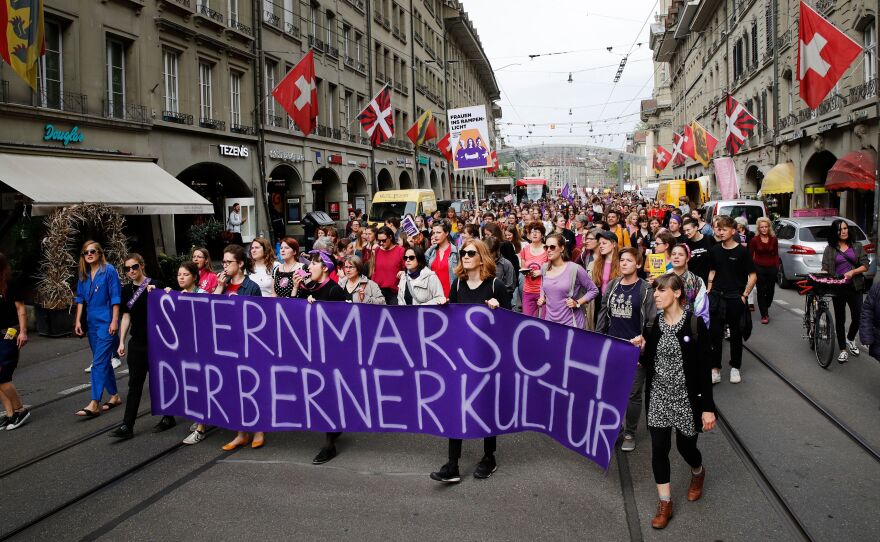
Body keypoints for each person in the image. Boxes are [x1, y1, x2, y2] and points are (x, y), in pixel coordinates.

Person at [430, 240, 510, 483]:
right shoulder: (457, 285)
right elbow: (452, 324)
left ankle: (489, 457)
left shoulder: (495, 285)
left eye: (470, 253)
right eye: (463, 252)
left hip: (488, 359)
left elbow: (512, 326)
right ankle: (452, 463)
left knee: (486, 406)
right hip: (461, 358)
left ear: (482, 257)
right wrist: (445, 307)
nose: (464, 256)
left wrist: (499, 310)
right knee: (457, 405)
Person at [641, 273, 715, 529]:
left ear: (677, 293)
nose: (656, 295)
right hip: (659, 396)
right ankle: (665, 503)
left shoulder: (695, 325)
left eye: (661, 291)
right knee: (659, 449)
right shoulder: (651, 324)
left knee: (686, 448)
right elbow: (646, 363)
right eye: (655, 291)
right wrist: (639, 348)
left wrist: (707, 408)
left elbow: (705, 369)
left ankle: (698, 471)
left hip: (686, 398)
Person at [596, 248, 656, 452]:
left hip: (634, 351)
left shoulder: (645, 289)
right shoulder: (612, 285)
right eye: (621, 260)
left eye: (629, 260)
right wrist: (599, 339)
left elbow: (651, 322)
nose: (623, 264)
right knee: (611, 390)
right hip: (613, 347)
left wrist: (644, 347)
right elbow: (603, 313)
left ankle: (630, 431)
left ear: (638, 264)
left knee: (632, 394)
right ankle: (614, 429)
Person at [110, 254, 172, 439]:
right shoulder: (126, 290)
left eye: (134, 267)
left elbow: (170, 305)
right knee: (134, 385)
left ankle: (168, 417)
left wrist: (166, 291)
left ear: (142, 266)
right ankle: (127, 425)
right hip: (137, 342)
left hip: (157, 342)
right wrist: (121, 341)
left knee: (159, 382)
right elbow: (126, 316)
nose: (131, 271)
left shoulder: (156, 284)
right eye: (127, 269)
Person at [295, 250, 347, 465]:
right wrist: (298, 292)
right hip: (312, 349)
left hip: (331, 353)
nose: (308, 268)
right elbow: (291, 313)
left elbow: (343, 324)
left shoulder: (334, 290)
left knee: (327, 394)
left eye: (314, 264)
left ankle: (329, 446)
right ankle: (335, 428)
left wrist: (318, 310)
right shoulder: (310, 287)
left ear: (325, 268)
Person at [215, 245, 263, 450]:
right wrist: (218, 287)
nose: (224, 266)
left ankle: (259, 430)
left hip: (247, 345)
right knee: (234, 389)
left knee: (251, 388)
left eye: (228, 262)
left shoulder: (251, 287)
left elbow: (259, 318)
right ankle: (240, 433)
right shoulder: (224, 286)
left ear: (240, 263)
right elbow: (211, 311)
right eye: (223, 262)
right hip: (227, 345)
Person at [74, 241, 123, 418]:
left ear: (100, 253)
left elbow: (115, 296)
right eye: (85, 252)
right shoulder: (84, 273)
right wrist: (78, 320)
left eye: (92, 251)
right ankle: (115, 396)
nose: (89, 254)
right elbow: (79, 298)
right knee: (102, 360)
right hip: (92, 322)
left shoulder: (109, 270)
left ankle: (94, 402)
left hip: (107, 321)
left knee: (98, 363)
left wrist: (114, 321)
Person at [707, 216, 756, 384]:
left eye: (724, 229)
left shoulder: (742, 251)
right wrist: (709, 291)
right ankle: (715, 369)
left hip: (736, 298)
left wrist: (745, 295)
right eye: (718, 229)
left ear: (733, 231)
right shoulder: (714, 250)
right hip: (717, 297)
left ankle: (735, 367)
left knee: (736, 335)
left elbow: (753, 275)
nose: (720, 232)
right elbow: (712, 272)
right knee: (715, 335)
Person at [821, 219, 870, 364]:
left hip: (855, 286)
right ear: (835, 232)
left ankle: (850, 339)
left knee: (859, 316)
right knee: (840, 319)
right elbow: (825, 267)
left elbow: (865, 265)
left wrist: (853, 272)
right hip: (838, 287)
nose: (843, 231)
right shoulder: (830, 249)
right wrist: (822, 274)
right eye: (840, 229)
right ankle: (843, 350)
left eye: (845, 228)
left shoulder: (857, 246)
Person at [175, 262, 212, 446]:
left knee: (201, 386)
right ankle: (200, 419)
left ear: (195, 277)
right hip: (185, 349)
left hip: (201, 349)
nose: (181, 278)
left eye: (185, 275)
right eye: (179, 275)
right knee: (191, 385)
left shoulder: (202, 296)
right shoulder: (175, 296)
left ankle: (201, 428)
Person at [536, 233, 599, 328]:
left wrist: (577, 303)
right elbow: (543, 285)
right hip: (550, 322)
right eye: (546, 247)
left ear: (562, 249)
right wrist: (542, 297)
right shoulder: (544, 268)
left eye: (552, 247)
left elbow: (594, 290)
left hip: (571, 324)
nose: (548, 250)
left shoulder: (575, 269)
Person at [0, 253, 29, 430]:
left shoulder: (11, 282)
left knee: (3, 375)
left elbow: (21, 309)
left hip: (9, 331)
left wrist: (23, 332)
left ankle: (20, 409)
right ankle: (10, 413)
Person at [669, 244, 710, 327]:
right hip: (666, 324)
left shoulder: (697, 281)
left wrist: (697, 327)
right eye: (673, 254)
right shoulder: (662, 278)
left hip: (688, 326)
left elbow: (702, 309)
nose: (676, 257)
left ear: (687, 258)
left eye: (681, 254)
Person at [748, 218, 779, 324]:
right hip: (759, 268)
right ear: (758, 228)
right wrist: (751, 270)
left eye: (766, 227)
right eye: (762, 227)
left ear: (769, 227)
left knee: (770, 291)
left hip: (771, 268)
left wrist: (776, 267)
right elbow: (750, 255)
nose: (764, 229)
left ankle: (766, 305)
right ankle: (764, 314)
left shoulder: (774, 239)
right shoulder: (754, 240)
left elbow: (776, 254)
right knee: (761, 291)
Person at [519, 221, 548, 317]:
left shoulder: (547, 249)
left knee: (545, 321)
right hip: (528, 290)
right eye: (532, 232)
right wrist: (526, 272)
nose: (534, 234)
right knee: (527, 319)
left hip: (544, 291)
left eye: (537, 231)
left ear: (543, 235)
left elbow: (555, 268)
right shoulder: (525, 249)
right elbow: (523, 267)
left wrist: (541, 271)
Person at [425, 219, 459, 298]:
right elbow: (419, 264)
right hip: (433, 297)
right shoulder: (430, 251)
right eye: (434, 233)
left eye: (438, 232)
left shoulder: (456, 252)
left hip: (451, 297)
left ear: (446, 233)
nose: (435, 235)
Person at [372, 226, 406, 305]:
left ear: (390, 237)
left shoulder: (401, 251)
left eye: (383, 240)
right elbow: (374, 270)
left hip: (394, 292)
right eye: (379, 241)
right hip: (378, 292)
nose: (381, 243)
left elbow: (406, 269)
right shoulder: (377, 250)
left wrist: (403, 273)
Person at [682, 218, 714, 285]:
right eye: (684, 231)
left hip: (708, 280)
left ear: (696, 227)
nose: (686, 233)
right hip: (693, 282)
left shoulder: (709, 239)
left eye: (688, 230)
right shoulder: (686, 243)